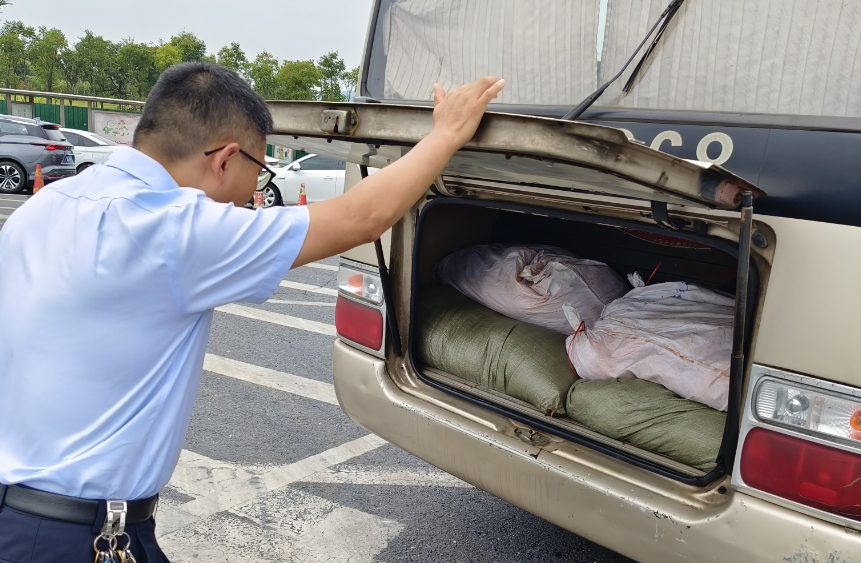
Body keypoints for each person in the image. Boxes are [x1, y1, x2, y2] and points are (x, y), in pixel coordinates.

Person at [0, 61, 505, 561]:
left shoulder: (47, 205)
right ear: (225, 158)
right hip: (72, 540)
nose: (254, 193)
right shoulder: (172, 229)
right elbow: (361, 217)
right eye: (259, 171)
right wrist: (446, 134)